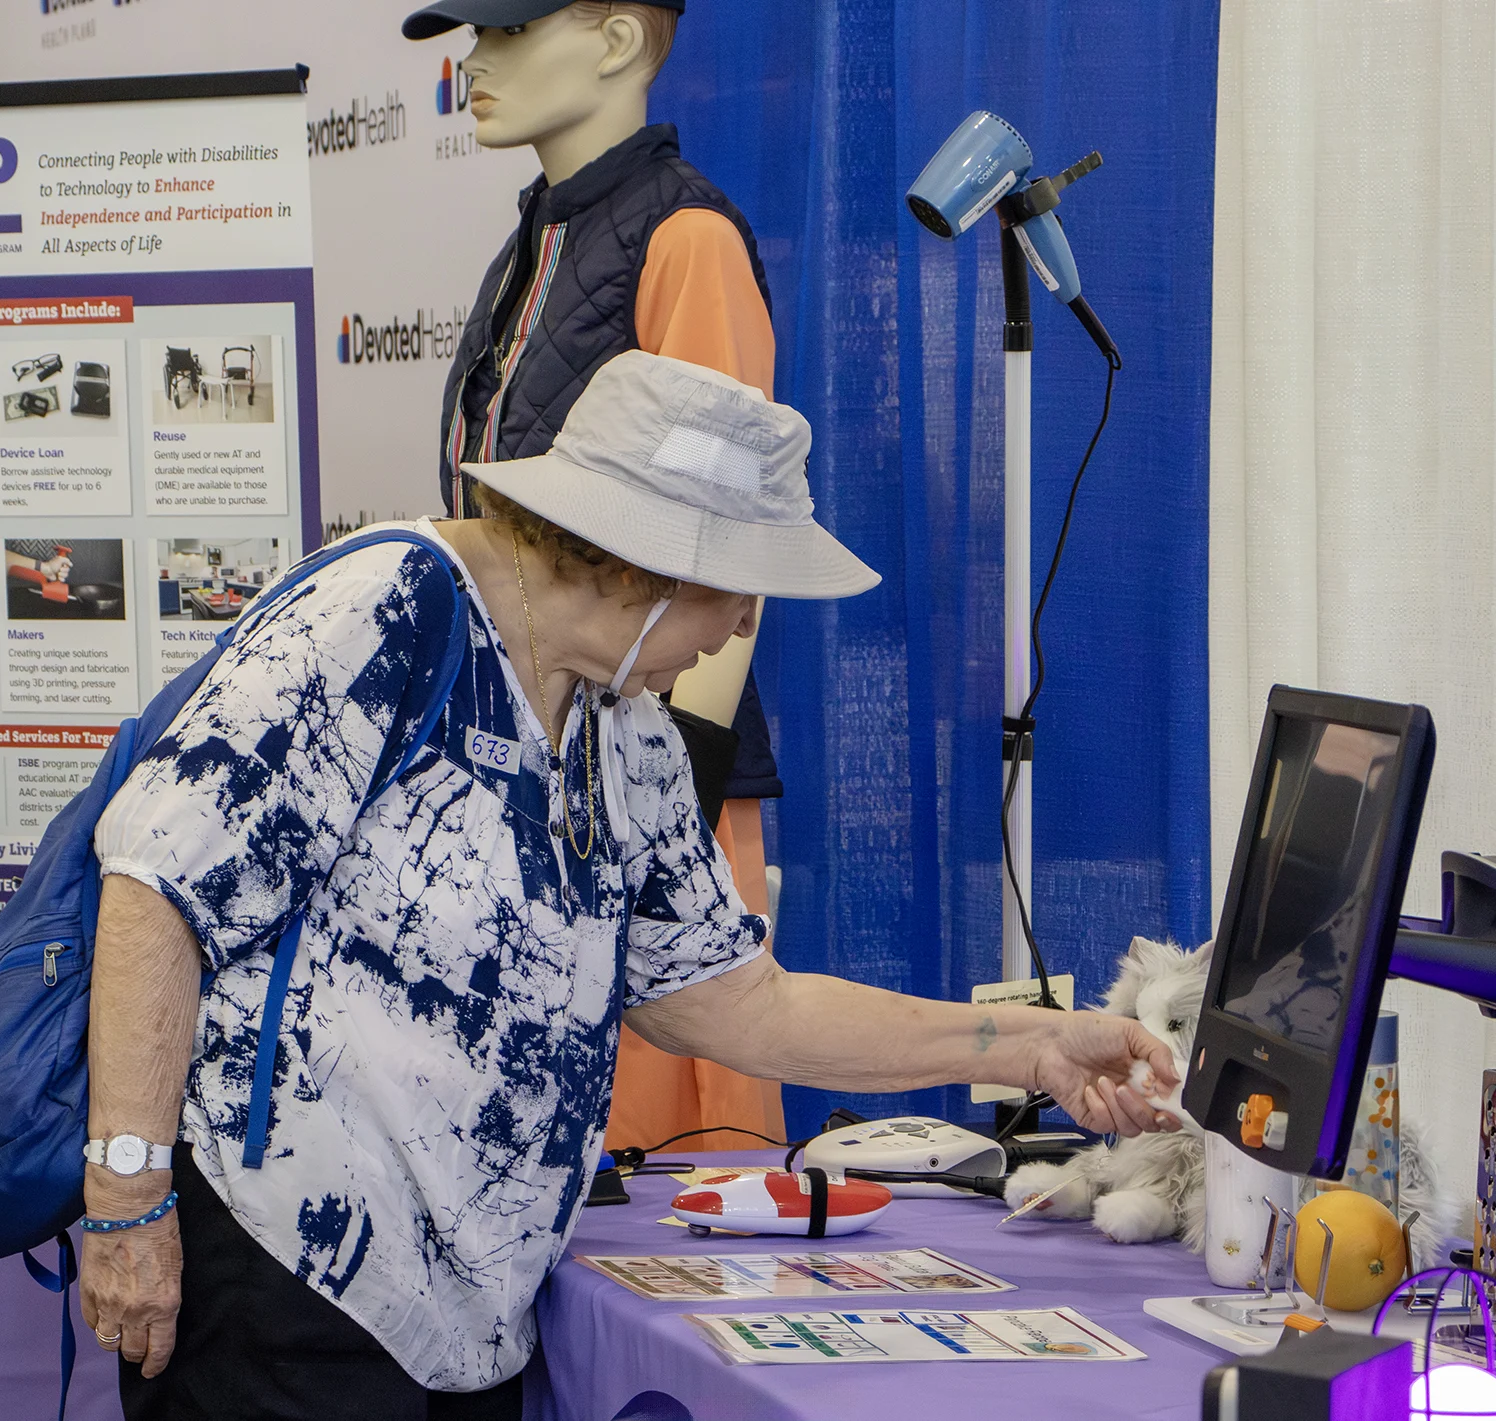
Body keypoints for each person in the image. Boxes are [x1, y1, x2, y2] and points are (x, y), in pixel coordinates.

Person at [79, 353, 1181, 1419]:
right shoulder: (384, 613)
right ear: (638, 563)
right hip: (282, 1277)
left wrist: (1032, 1045)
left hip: (467, 1317)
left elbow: (738, 1000)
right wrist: (126, 1194)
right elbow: (155, 884)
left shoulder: (628, 733)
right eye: (738, 588)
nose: (747, 624)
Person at [405, 0, 794, 1156]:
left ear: (617, 41)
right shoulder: (533, 243)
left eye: (509, 34)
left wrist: (672, 805)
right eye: (473, 36)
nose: (474, 63)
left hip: (645, 774)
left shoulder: (684, 239)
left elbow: (728, 551)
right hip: (524, 773)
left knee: (665, 1162)